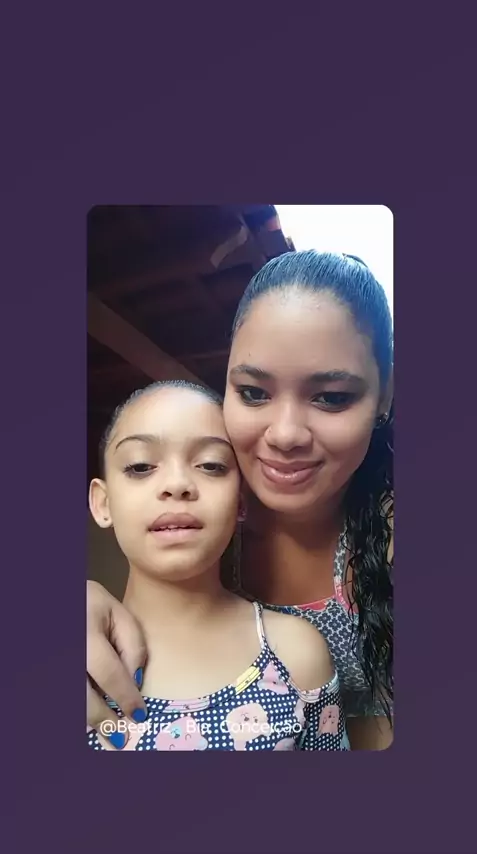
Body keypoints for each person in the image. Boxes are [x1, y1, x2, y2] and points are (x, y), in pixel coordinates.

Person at [87, 250, 393, 750]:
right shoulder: (196, 523)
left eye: (332, 397)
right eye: (253, 392)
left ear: (384, 396)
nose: (285, 434)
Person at [87, 379, 349, 751]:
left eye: (211, 465)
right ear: (103, 503)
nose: (177, 484)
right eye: (141, 466)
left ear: (240, 503)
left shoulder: (295, 654)